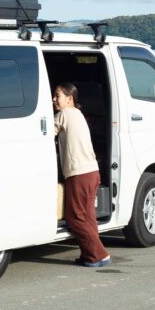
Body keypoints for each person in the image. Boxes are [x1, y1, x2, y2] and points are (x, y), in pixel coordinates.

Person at [52, 83, 111, 267]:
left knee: (75, 217)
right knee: (88, 217)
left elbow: (45, 133)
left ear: (69, 99)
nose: (54, 99)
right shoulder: (78, 114)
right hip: (92, 171)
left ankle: (99, 255)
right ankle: (89, 255)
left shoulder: (63, 114)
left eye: (58, 96)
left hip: (79, 173)